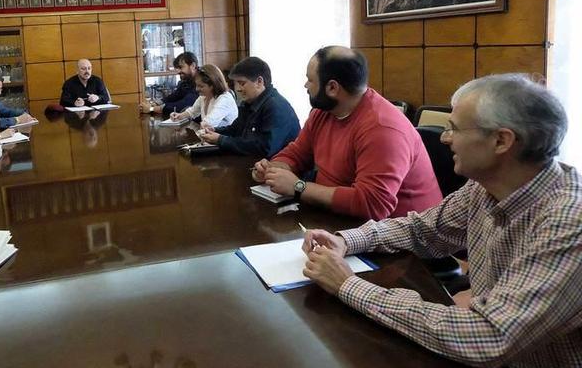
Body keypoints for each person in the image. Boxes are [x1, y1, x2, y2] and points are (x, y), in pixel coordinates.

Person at [301, 74, 582, 367]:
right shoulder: (485, 186)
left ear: (501, 140)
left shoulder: (569, 222)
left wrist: (348, 285)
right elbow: (422, 230)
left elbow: (487, 338)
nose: (445, 138)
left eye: (454, 128)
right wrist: (346, 240)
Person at [253, 46, 442, 220]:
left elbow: (372, 204)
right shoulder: (323, 112)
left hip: (402, 238)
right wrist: (274, 169)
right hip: (341, 220)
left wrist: (298, 187)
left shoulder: (382, 129)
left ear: (332, 88)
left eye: (310, 79)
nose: (305, 85)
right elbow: (297, 152)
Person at [199, 56, 300, 158]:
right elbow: (236, 130)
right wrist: (215, 131)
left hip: (279, 168)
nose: (237, 89)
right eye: (235, 84)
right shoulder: (249, 102)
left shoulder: (276, 107)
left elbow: (265, 148)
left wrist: (220, 140)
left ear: (259, 82)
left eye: (242, 83)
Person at [169, 64, 237, 128]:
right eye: (196, 85)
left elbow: (208, 123)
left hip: (224, 138)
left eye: (201, 86)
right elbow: (192, 112)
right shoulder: (204, 96)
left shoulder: (224, 99)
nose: (196, 89)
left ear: (213, 85)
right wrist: (179, 116)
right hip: (211, 137)